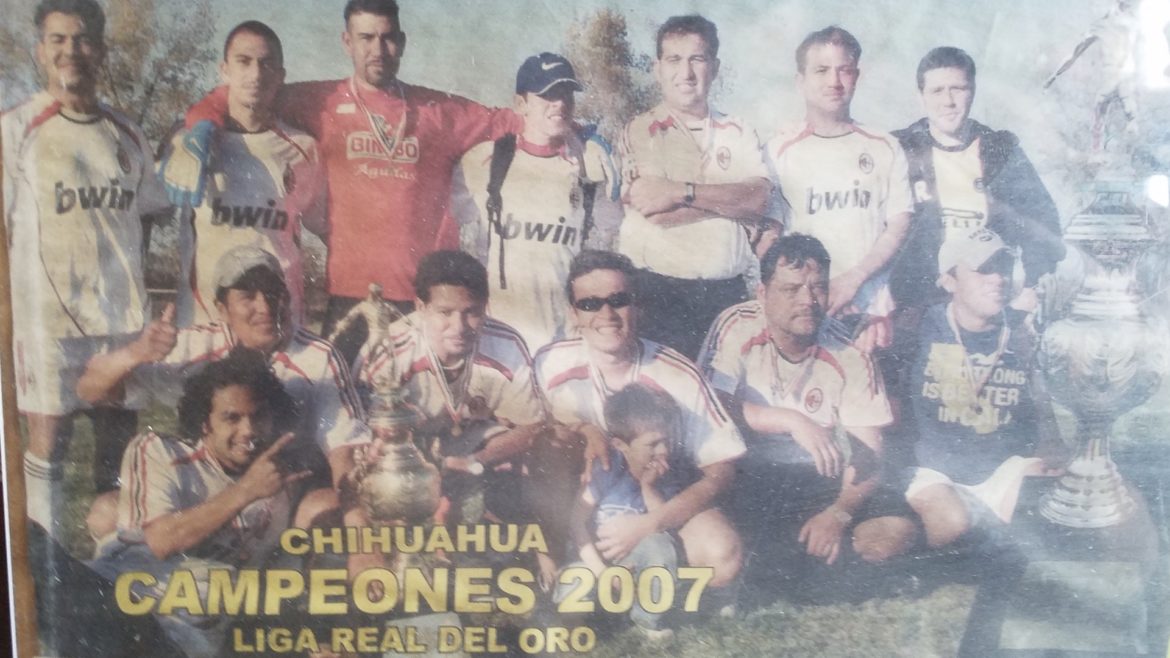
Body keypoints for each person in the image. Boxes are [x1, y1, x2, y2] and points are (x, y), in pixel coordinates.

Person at [172, 0, 519, 363]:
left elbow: (513, 122)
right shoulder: (316, 101)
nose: (377, 50)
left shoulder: (437, 110)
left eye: (387, 38)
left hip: (423, 299)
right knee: (336, 408)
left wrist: (581, 130)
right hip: (351, 296)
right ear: (346, 41)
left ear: (402, 41)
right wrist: (202, 126)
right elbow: (239, 92)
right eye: (365, 38)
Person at [2, 0, 169, 533]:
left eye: (82, 39)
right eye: (58, 40)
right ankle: (46, 566)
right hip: (47, 326)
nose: (70, 51)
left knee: (118, 461)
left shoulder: (127, 134)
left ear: (100, 49)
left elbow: (145, 220)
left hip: (119, 323)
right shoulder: (15, 130)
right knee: (47, 452)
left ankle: (113, 567)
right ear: (40, 50)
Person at [78, 246, 368, 535]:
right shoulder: (196, 346)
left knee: (322, 510)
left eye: (272, 293)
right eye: (247, 297)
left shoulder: (317, 357)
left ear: (287, 297)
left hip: (284, 489)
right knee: (107, 512)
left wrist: (361, 542)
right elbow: (91, 390)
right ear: (222, 309)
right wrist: (136, 352)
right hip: (207, 486)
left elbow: (344, 456)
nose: (265, 308)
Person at [699, 234, 913, 602]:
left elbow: (869, 454)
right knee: (759, 550)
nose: (807, 301)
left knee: (894, 531)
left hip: (809, 477)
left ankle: (809, 558)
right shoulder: (736, 324)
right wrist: (790, 420)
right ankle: (800, 566)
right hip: (744, 467)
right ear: (762, 293)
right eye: (791, 289)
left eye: (817, 288)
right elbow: (712, 405)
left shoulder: (848, 351)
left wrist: (839, 514)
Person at [534, 250, 745, 596]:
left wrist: (652, 523)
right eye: (590, 304)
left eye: (619, 300)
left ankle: (645, 577)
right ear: (573, 313)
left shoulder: (676, 372)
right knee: (551, 445)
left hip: (658, 499)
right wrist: (582, 430)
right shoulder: (549, 362)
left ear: (638, 306)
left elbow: (721, 470)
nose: (606, 315)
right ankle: (563, 555)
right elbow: (533, 434)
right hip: (582, 502)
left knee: (723, 556)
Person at [90, 348, 307, 658]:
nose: (248, 430)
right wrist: (245, 490)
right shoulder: (159, 451)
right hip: (127, 592)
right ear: (205, 423)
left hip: (198, 622)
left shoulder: (285, 476)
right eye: (232, 418)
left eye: (258, 415)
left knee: (215, 587)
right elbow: (160, 541)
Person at [888, 228, 1065, 549]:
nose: (997, 279)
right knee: (954, 523)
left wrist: (1052, 448)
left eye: (1002, 268)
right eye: (983, 269)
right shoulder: (916, 328)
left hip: (1000, 472)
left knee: (1050, 501)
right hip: (932, 473)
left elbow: (1040, 402)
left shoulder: (1020, 333)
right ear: (949, 281)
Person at [617, 14, 775, 359]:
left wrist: (680, 190)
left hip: (725, 294)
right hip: (660, 294)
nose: (685, 73)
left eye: (697, 59)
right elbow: (655, 210)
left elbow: (760, 199)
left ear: (714, 67)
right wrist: (732, 202)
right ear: (658, 68)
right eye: (674, 60)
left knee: (722, 401)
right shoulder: (642, 128)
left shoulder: (740, 130)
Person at [354, 250, 548, 524]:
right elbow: (360, 436)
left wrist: (475, 461)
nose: (459, 327)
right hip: (410, 455)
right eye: (444, 313)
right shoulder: (389, 350)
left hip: (474, 449)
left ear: (485, 306)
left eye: (472, 313)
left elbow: (532, 426)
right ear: (421, 307)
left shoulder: (506, 344)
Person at [451, 51, 622, 351]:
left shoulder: (591, 166)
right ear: (521, 104)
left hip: (566, 337)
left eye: (566, 93)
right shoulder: (484, 161)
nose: (560, 103)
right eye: (547, 94)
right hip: (498, 334)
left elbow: (614, 233)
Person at [163, 20, 327, 327]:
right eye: (244, 62)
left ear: (281, 76)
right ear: (224, 70)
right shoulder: (185, 141)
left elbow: (328, 228)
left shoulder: (304, 148)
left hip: (278, 323)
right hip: (204, 323)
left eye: (266, 64)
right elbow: (145, 215)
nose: (255, 74)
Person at [765, 26, 912, 352]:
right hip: (805, 313)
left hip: (867, 314)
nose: (834, 81)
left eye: (844, 70)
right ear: (800, 81)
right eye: (821, 70)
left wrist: (852, 280)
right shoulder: (777, 151)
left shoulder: (885, 146)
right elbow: (769, 236)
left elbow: (898, 225)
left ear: (856, 77)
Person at [891, 47, 1064, 314]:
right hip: (915, 304)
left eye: (958, 89)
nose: (948, 101)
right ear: (920, 97)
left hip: (986, 303)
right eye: (937, 91)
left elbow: (1043, 222)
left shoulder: (1000, 150)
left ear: (972, 91)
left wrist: (1030, 285)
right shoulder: (899, 149)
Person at [560, 384, 684, 640]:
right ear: (620, 444)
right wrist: (603, 574)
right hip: (593, 559)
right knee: (570, 590)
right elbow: (576, 522)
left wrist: (648, 486)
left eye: (666, 441)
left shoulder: (662, 474)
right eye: (653, 443)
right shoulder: (606, 469)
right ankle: (577, 626)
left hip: (633, 560)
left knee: (660, 547)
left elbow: (662, 522)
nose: (663, 451)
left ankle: (647, 621)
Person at [1043, 0, 1139, 152]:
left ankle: (1102, 153)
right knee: (1108, 114)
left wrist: (1054, 76)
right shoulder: (1111, 25)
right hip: (1120, 77)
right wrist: (1055, 75)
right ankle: (1101, 153)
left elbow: (1074, 56)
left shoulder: (1125, 23)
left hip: (1119, 76)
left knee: (1106, 114)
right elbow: (1074, 55)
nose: (1094, 7)